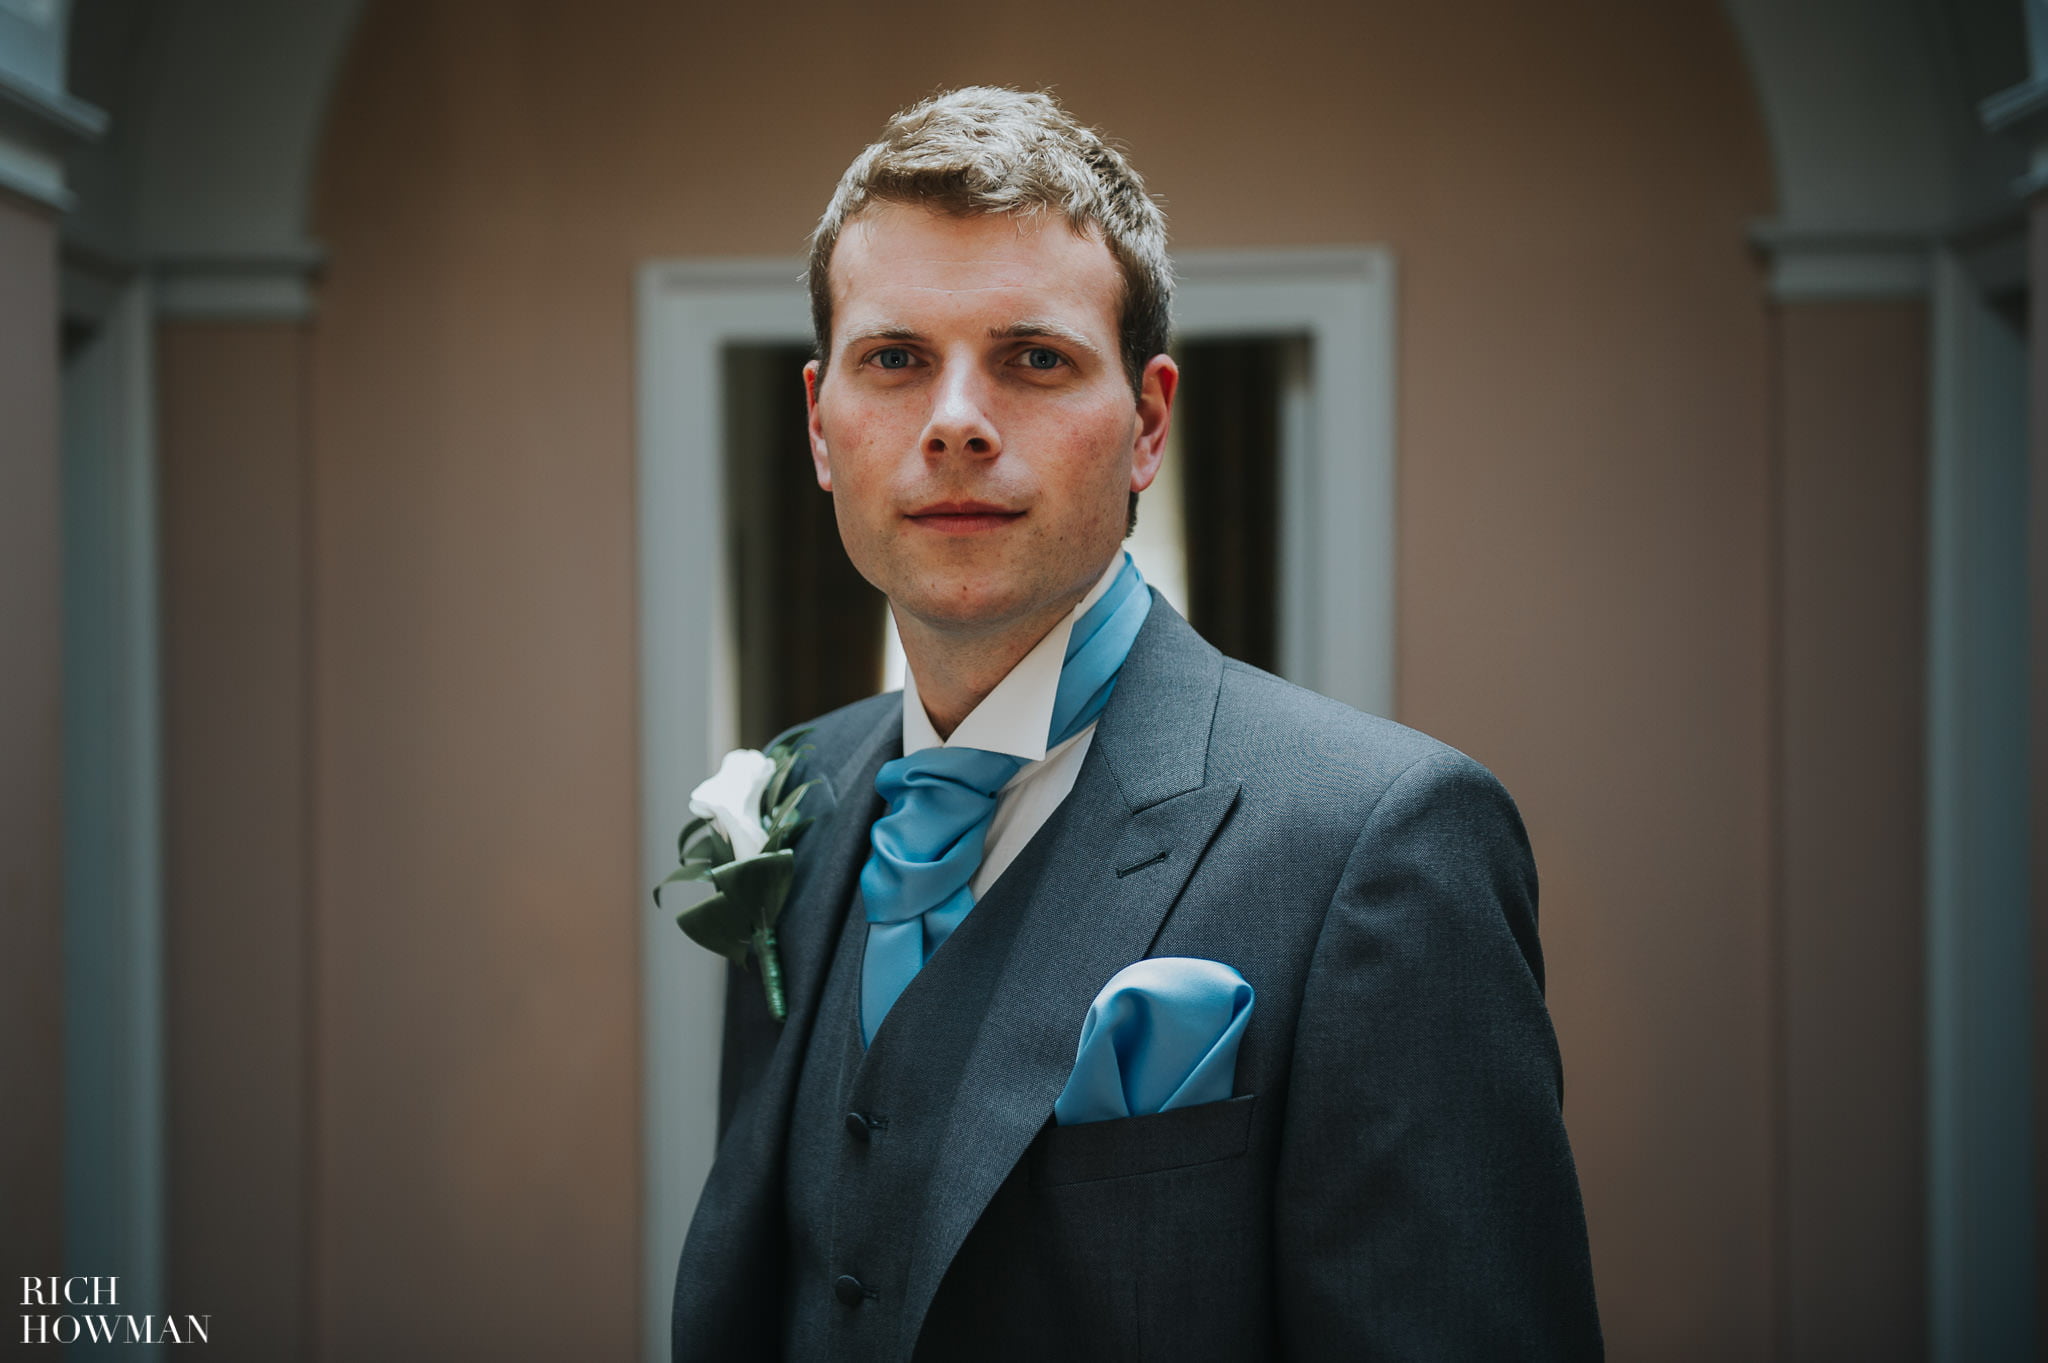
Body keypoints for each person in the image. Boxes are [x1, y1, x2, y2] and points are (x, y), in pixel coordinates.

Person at [672, 86, 1602, 1361]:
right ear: (822, 427)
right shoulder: (805, 793)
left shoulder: (1382, 844)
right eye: (893, 359)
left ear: (1148, 422)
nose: (953, 418)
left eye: (1032, 359)